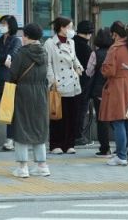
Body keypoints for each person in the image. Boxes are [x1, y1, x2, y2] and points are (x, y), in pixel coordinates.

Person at [9, 24, 51, 178]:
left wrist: (9, 65)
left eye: (23, 35)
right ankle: (42, 165)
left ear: (26, 36)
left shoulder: (22, 53)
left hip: (23, 93)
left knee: (22, 127)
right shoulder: (44, 52)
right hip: (41, 93)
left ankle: (22, 167)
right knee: (39, 127)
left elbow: (13, 75)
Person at [100, 21, 128, 166]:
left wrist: (103, 69)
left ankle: (121, 156)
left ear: (115, 34)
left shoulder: (115, 48)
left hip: (118, 86)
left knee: (118, 121)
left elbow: (109, 71)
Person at [45, 17, 83, 155]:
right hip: (58, 84)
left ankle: (69, 144)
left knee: (72, 116)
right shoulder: (50, 43)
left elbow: (74, 58)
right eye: (70, 27)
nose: (72, 30)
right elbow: (48, 63)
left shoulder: (71, 42)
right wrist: (52, 80)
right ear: (62, 28)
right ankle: (56, 144)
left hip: (73, 83)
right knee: (58, 116)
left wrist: (78, 67)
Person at [0, 15, 21, 152]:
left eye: (4, 24)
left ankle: (10, 139)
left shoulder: (16, 41)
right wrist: (3, 59)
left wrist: (1, 59)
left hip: (9, 80)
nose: (1, 26)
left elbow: (13, 56)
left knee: (9, 111)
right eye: (0, 23)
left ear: (11, 26)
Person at [88, 27, 114, 158]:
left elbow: (89, 72)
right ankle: (123, 147)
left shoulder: (95, 54)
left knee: (102, 119)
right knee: (117, 119)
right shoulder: (115, 52)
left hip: (99, 91)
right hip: (115, 90)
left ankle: (105, 148)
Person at [73, 20, 95, 146]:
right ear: (89, 34)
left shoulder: (71, 43)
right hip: (83, 84)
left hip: (70, 83)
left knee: (72, 110)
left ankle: (72, 135)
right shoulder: (86, 48)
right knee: (81, 110)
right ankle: (78, 136)